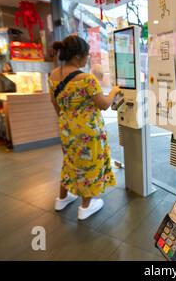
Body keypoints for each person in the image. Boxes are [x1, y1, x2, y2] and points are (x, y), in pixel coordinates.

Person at [49, 35, 122, 220]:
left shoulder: (53, 75)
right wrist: (113, 91)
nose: (88, 58)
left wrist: (68, 122)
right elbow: (104, 104)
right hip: (88, 132)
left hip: (66, 128)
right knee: (89, 165)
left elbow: (55, 103)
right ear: (78, 56)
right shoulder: (86, 79)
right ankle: (85, 206)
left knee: (70, 162)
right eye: (87, 55)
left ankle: (62, 199)